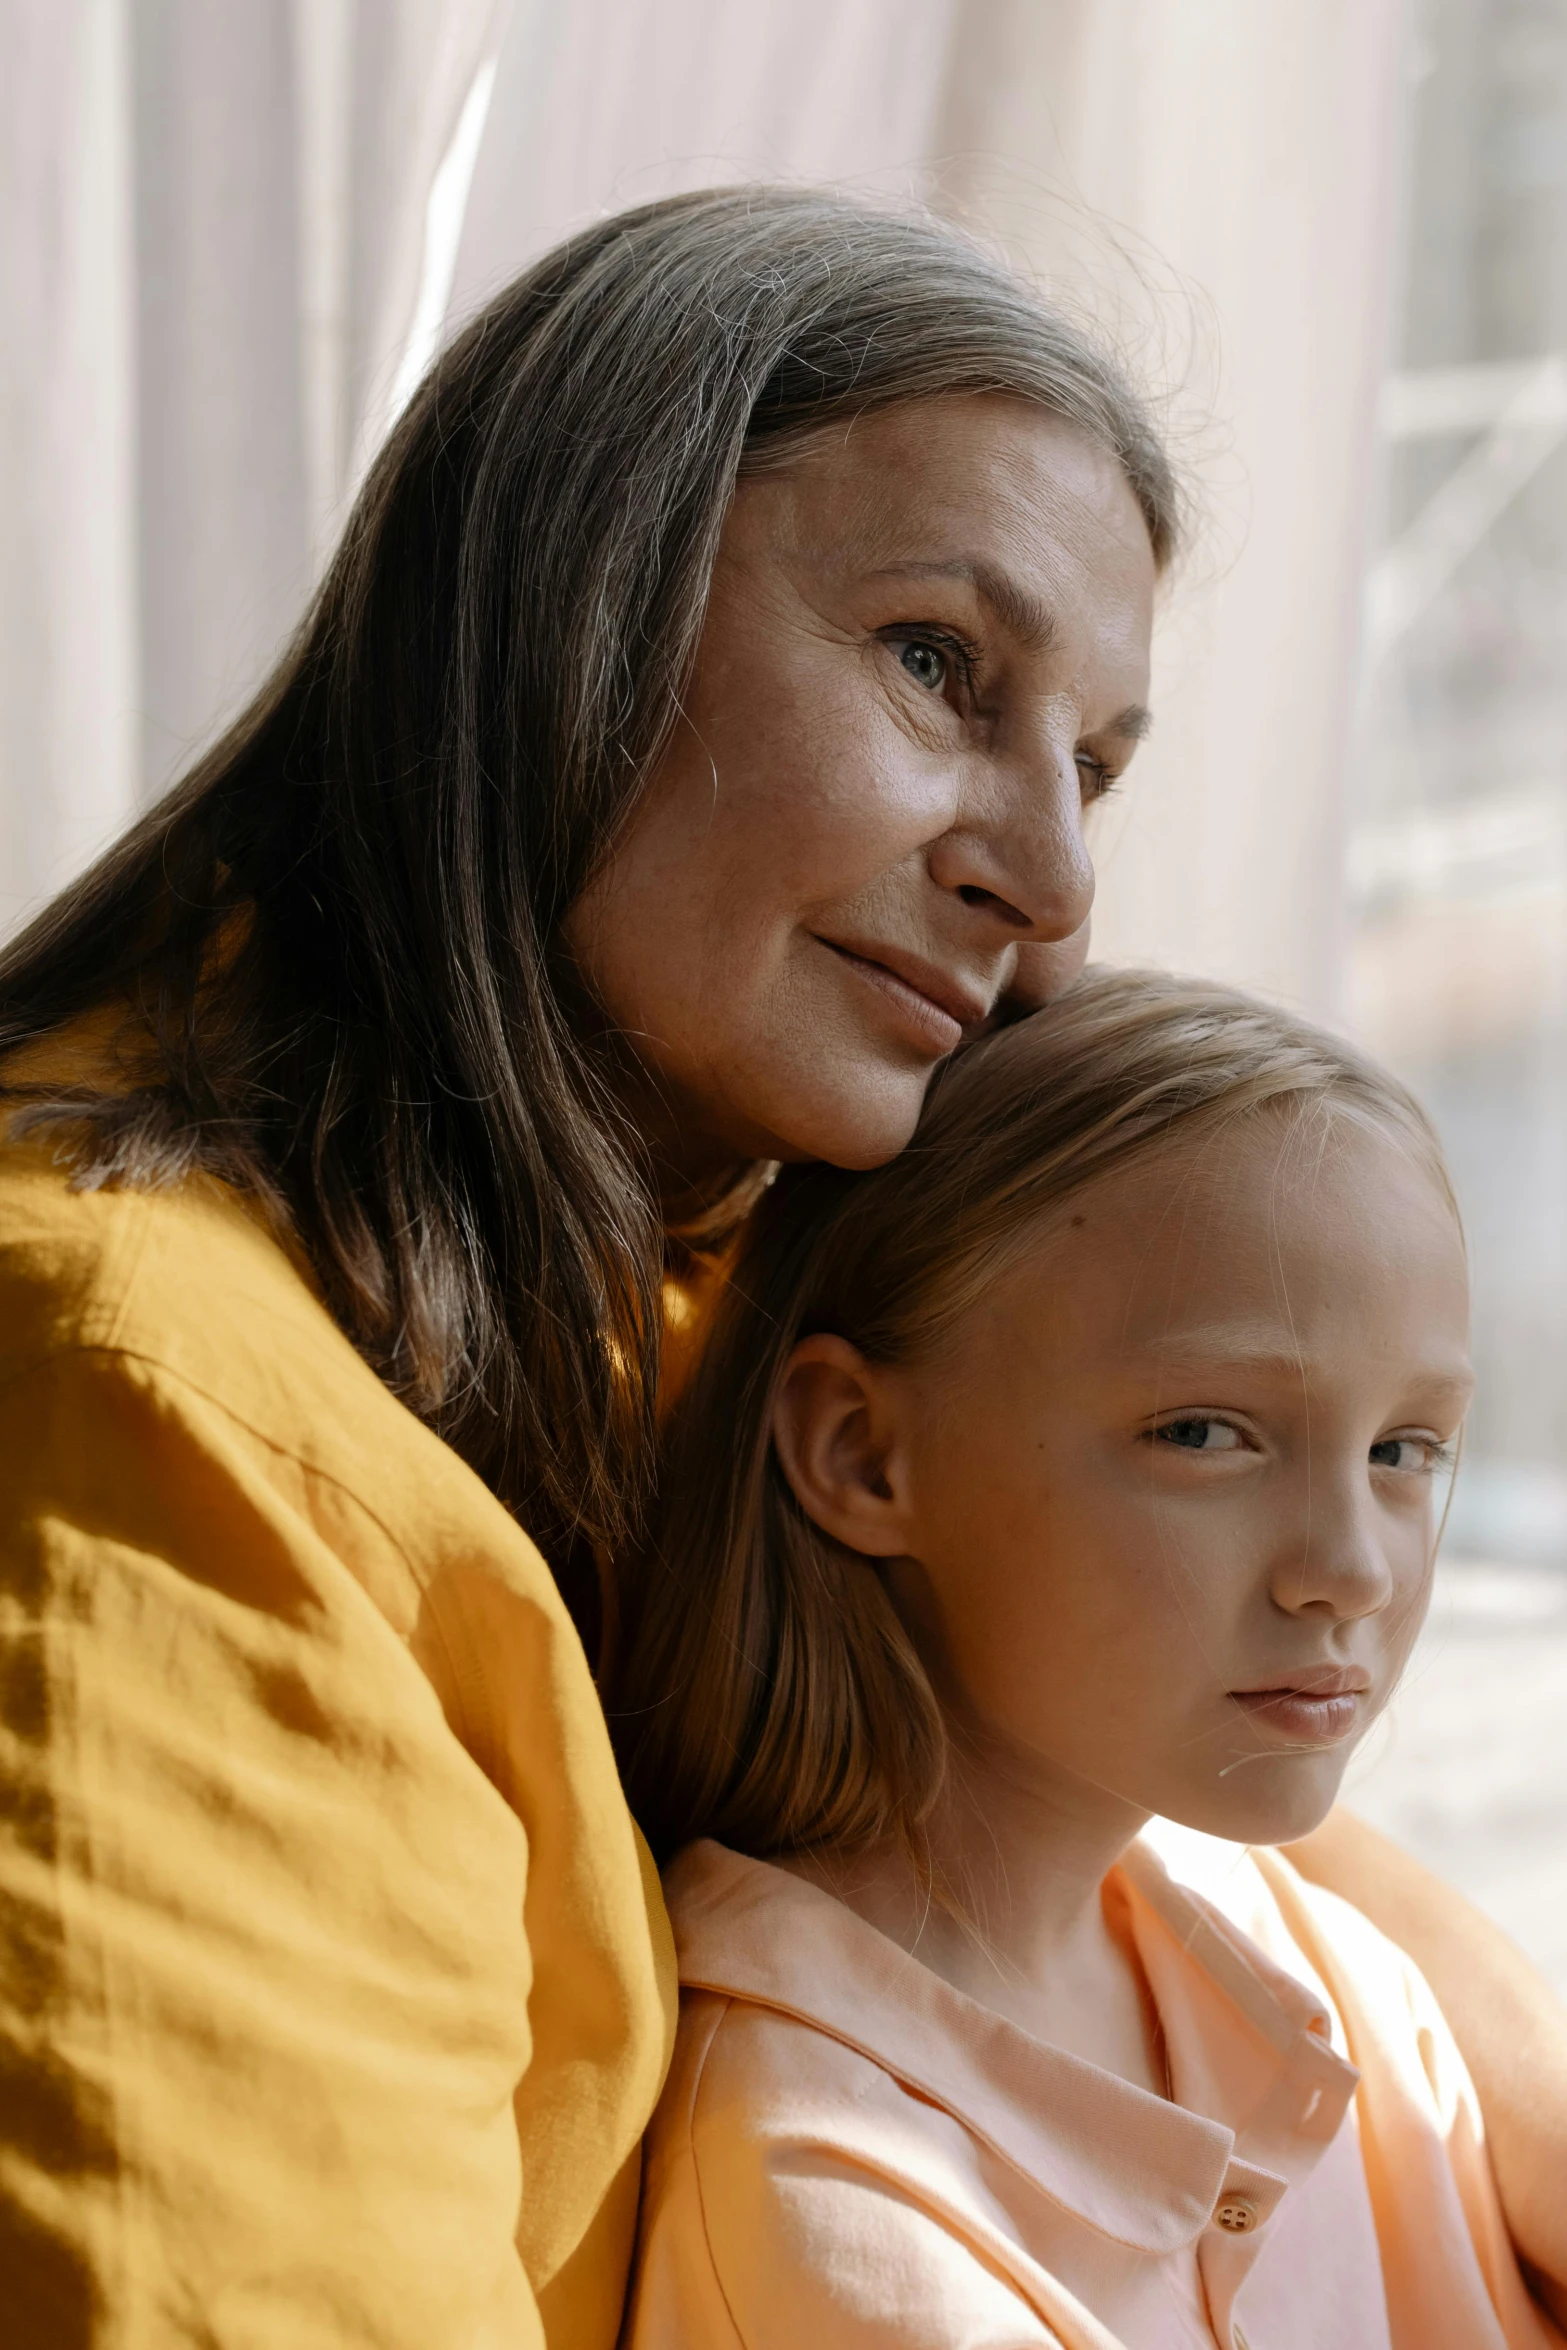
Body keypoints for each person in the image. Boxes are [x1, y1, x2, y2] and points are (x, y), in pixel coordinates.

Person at [0, 188, 1560, 2348]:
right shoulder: (143, 1413)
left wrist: (1502, 2080)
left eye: (1094, 762)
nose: (1050, 873)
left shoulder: (663, 1257)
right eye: (940, 664)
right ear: (570, 603)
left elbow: (1090, 1766)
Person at [612, 968, 1565, 2349]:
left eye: (1402, 1449)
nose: (1353, 1568)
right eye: (1202, 1432)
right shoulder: (836, 2196)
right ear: (860, 1451)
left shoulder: (1302, 1948)